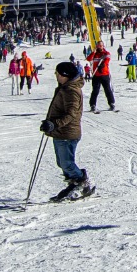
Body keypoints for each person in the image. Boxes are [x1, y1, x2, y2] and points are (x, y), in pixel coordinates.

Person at [39, 62, 94, 202]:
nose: (56, 76)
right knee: (62, 162)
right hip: (61, 132)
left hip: (68, 132)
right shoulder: (65, 88)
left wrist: (53, 124)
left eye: (57, 73)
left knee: (67, 163)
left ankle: (82, 182)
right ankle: (74, 183)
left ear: (65, 75)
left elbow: (71, 114)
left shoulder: (71, 91)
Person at [88, 45, 115, 111]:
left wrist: (102, 65)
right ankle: (92, 105)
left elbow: (107, 60)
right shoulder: (95, 54)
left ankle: (111, 103)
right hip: (96, 75)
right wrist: (93, 52)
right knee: (95, 90)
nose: (100, 47)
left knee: (108, 89)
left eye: (101, 46)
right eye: (98, 46)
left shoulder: (106, 53)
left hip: (105, 74)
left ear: (103, 46)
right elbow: (89, 59)